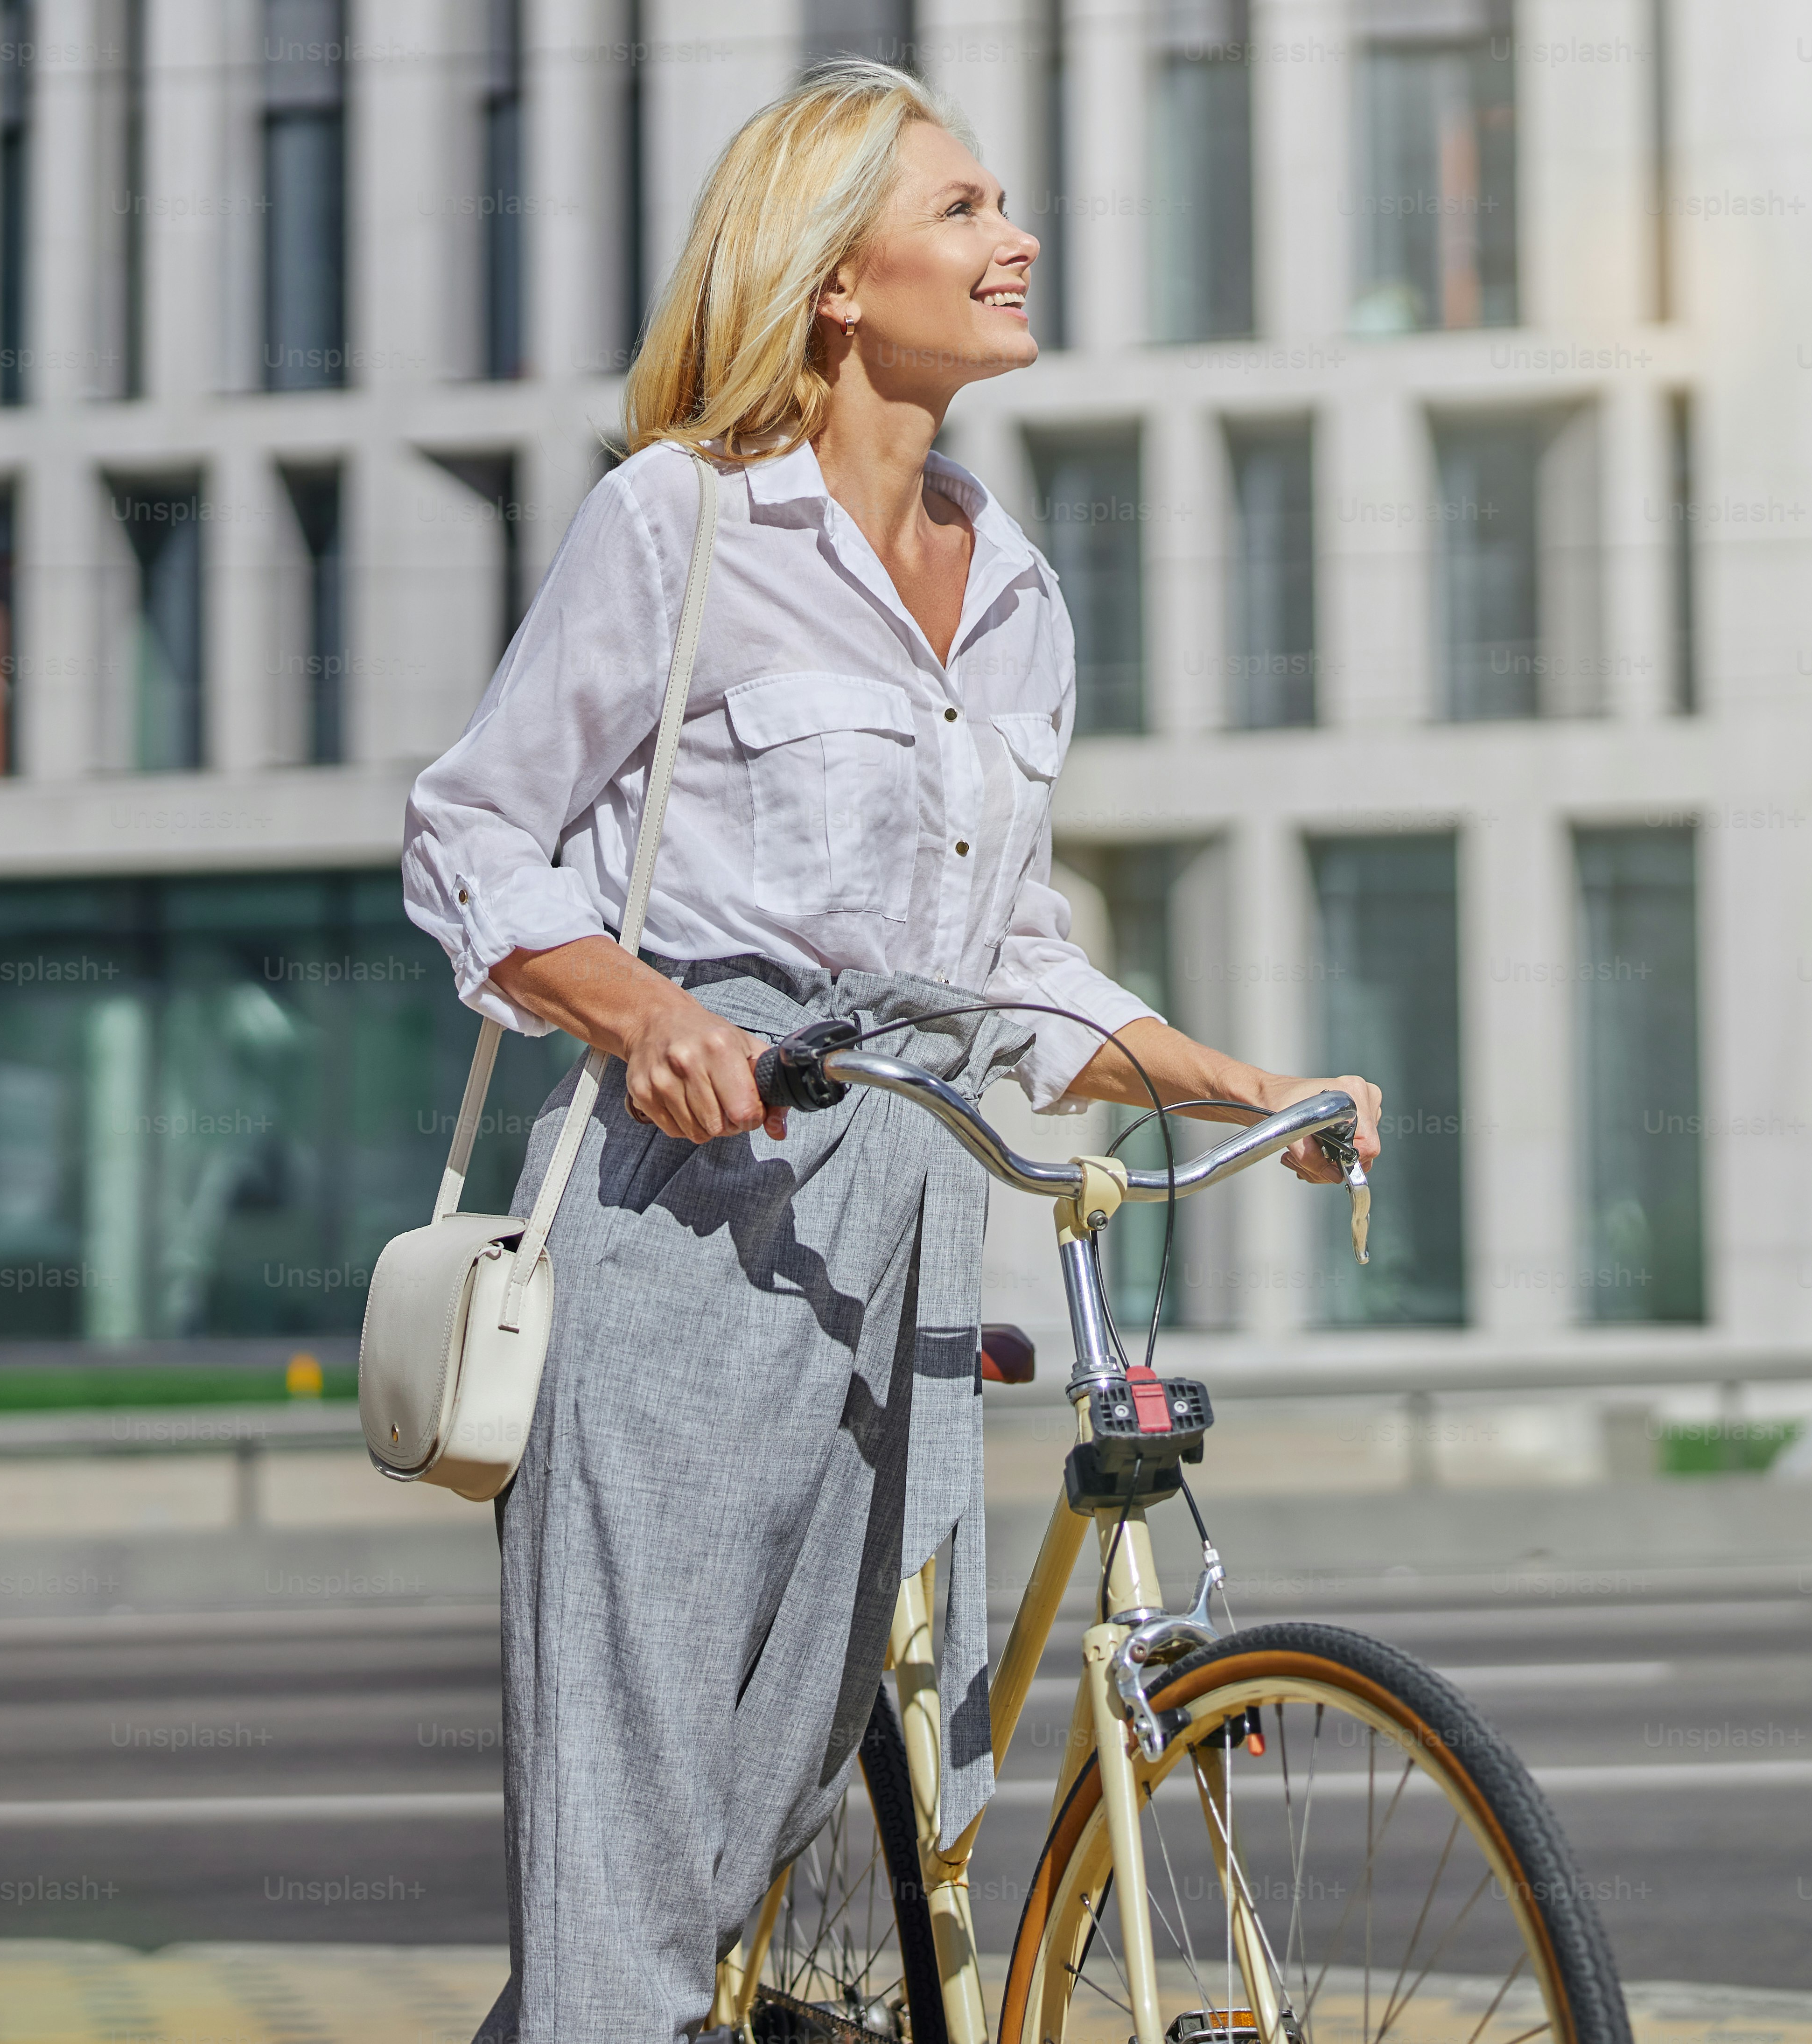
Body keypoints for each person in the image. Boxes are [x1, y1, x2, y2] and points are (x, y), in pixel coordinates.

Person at [402, 60, 1384, 2044]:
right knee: (628, 1868)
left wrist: (1233, 1084)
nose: (1013, 241)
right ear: (834, 281)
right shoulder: (676, 525)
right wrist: (646, 1010)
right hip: (692, 1220)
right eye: (961, 210)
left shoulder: (1016, 595)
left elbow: (999, 956)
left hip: (918, 1235)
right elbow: (471, 827)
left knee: (758, 1822)